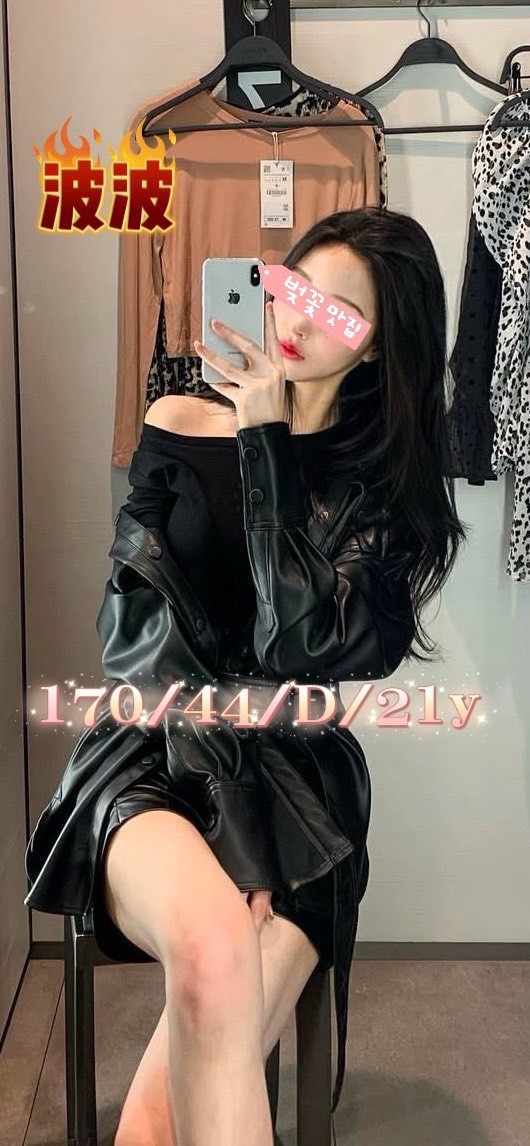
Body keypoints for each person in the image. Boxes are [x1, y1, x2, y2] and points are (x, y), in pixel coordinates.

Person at [24, 207, 469, 1146]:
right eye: (296, 287)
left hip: (299, 791)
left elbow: (300, 646)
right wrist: (226, 808)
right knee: (218, 942)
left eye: (341, 311)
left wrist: (268, 442)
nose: (300, 318)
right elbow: (127, 631)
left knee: (159, 1114)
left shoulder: (385, 495)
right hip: (149, 753)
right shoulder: (177, 420)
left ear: (379, 344)